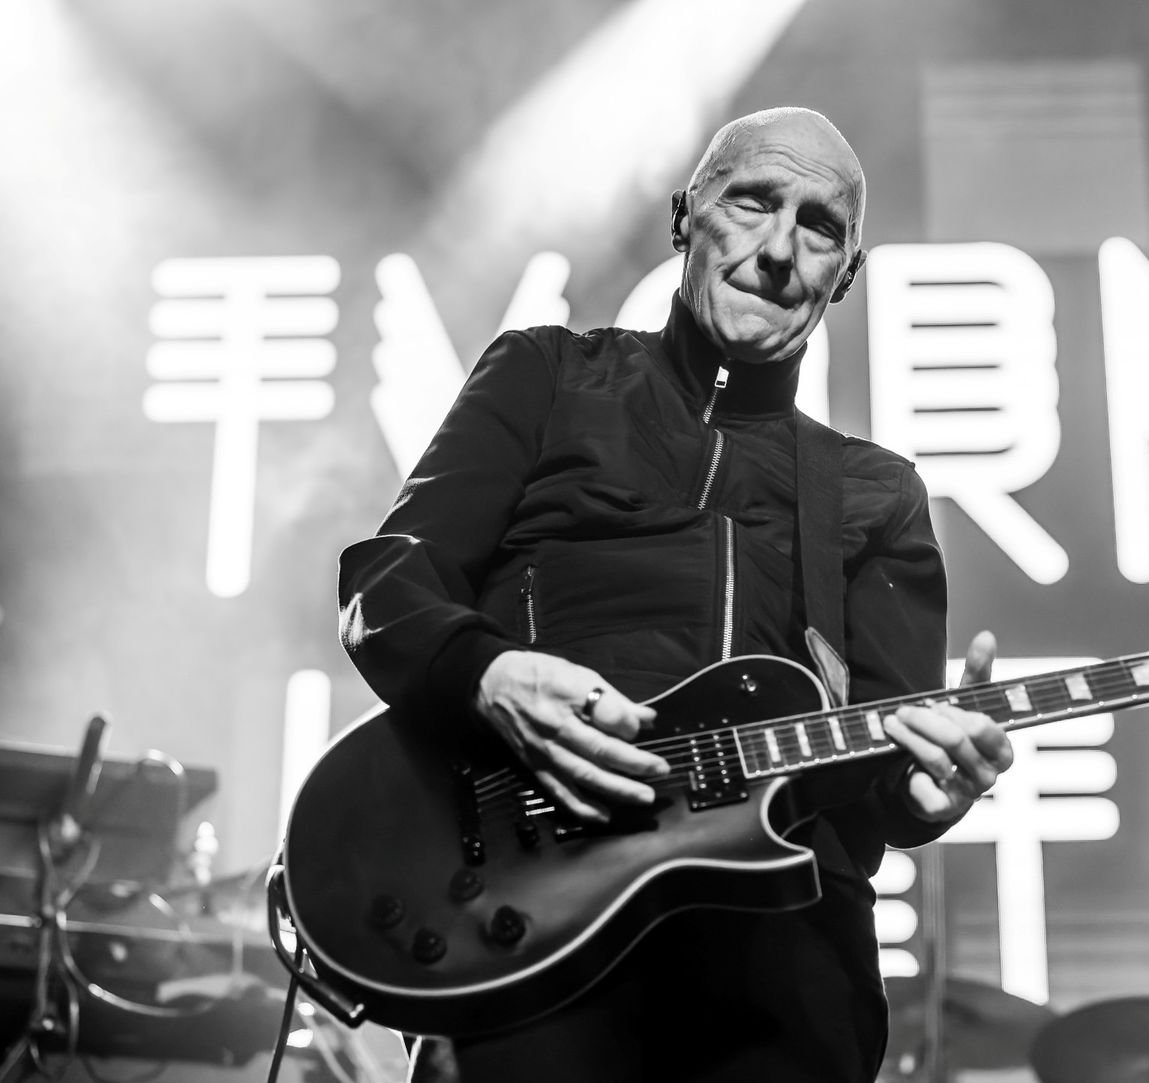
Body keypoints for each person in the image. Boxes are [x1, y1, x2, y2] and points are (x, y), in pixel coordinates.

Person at [336, 106, 1014, 1082]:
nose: (778, 250)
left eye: (819, 227)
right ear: (685, 216)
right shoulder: (546, 376)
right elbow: (390, 581)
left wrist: (924, 795)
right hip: (534, 923)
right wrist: (485, 675)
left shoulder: (874, 492)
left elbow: (878, 773)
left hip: (779, 964)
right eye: (753, 202)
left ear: (846, 275)